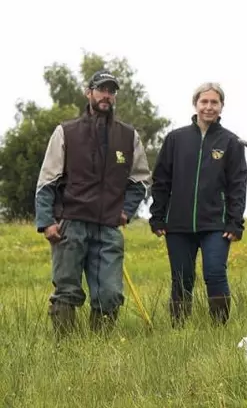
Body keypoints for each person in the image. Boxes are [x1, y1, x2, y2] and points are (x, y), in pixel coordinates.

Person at [35, 69, 152, 337]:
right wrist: (46, 222)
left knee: (110, 293)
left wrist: (127, 211)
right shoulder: (66, 132)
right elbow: (47, 180)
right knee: (67, 289)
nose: (106, 95)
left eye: (111, 91)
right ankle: (66, 350)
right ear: (89, 93)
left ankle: (99, 348)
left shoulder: (129, 136)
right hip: (70, 223)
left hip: (108, 227)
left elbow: (140, 180)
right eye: (101, 89)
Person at [149, 82, 247, 327]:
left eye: (214, 102)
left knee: (214, 273)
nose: (209, 107)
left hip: (217, 224)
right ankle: (179, 330)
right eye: (204, 102)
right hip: (178, 224)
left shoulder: (231, 142)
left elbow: (238, 184)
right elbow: (161, 180)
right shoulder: (175, 139)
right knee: (182, 278)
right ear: (196, 104)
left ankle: (219, 329)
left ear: (221, 106)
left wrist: (235, 222)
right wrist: (158, 216)